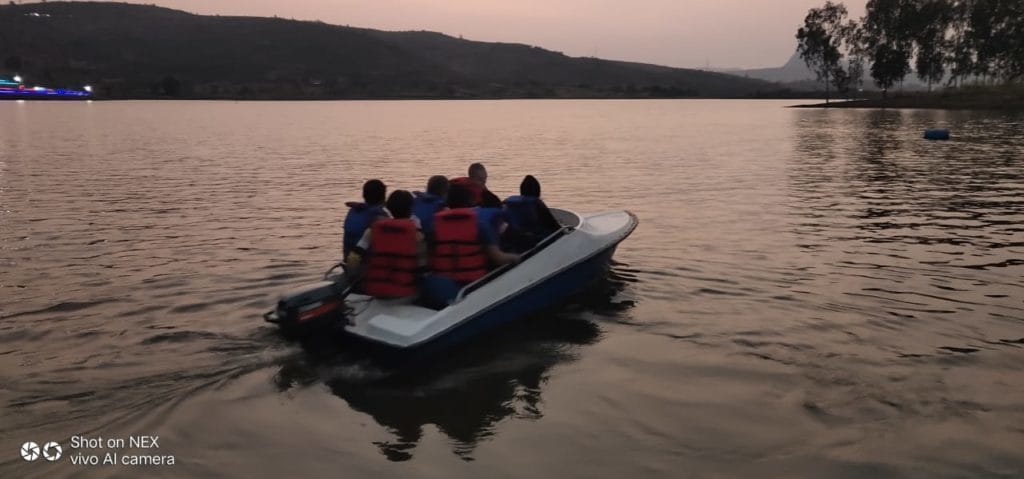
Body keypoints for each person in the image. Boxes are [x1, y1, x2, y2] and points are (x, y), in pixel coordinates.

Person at [421, 184, 520, 307]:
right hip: (471, 285)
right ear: (469, 202)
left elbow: (429, 256)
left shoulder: (434, 226)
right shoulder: (479, 225)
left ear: (448, 202)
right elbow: (498, 258)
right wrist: (515, 258)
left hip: (442, 282)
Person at [345, 190, 427, 299]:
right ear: (411, 208)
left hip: (376, 291)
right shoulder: (417, 235)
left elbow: (353, 259)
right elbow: (423, 270)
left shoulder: (373, 230)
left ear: (388, 208)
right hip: (405, 292)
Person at [503, 175, 560, 251]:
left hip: (511, 242)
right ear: (538, 191)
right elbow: (555, 226)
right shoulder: (536, 203)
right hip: (532, 241)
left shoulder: (507, 203)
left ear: (521, 190)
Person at [342, 179, 388, 259]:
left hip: (349, 264)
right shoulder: (380, 217)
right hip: (370, 265)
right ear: (384, 196)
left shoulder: (353, 211)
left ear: (363, 195)